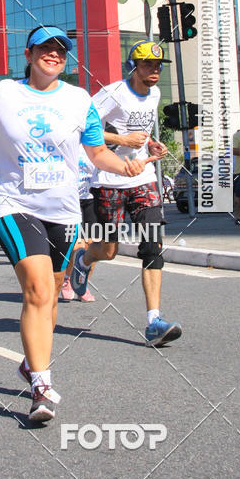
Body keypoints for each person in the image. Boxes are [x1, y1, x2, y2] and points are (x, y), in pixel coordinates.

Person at [0, 25, 150, 422]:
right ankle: (41, 386)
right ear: (29, 54)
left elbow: (97, 152)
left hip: (65, 212)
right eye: (45, 48)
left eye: (60, 50)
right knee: (36, 289)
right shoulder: (3, 93)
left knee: (50, 296)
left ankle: (31, 364)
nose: (54, 54)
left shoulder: (79, 99)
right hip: (16, 205)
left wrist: (125, 165)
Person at [70, 40, 182, 347]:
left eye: (158, 66)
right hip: (109, 181)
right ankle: (83, 259)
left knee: (153, 246)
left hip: (143, 179)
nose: (154, 71)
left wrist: (151, 147)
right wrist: (121, 138)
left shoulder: (156, 93)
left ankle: (154, 321)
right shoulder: (114, 93)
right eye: (147, 65)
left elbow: (142, 137)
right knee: (108, 250)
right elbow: (81, 125)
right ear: (134, 65)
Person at [61, 146, 98, 303]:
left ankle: (82, 284)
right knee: (75, 245)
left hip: (92, 197)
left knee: (93, 245)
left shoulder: (95, 143)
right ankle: (68, 280)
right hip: (71, 199)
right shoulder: (67, 141)